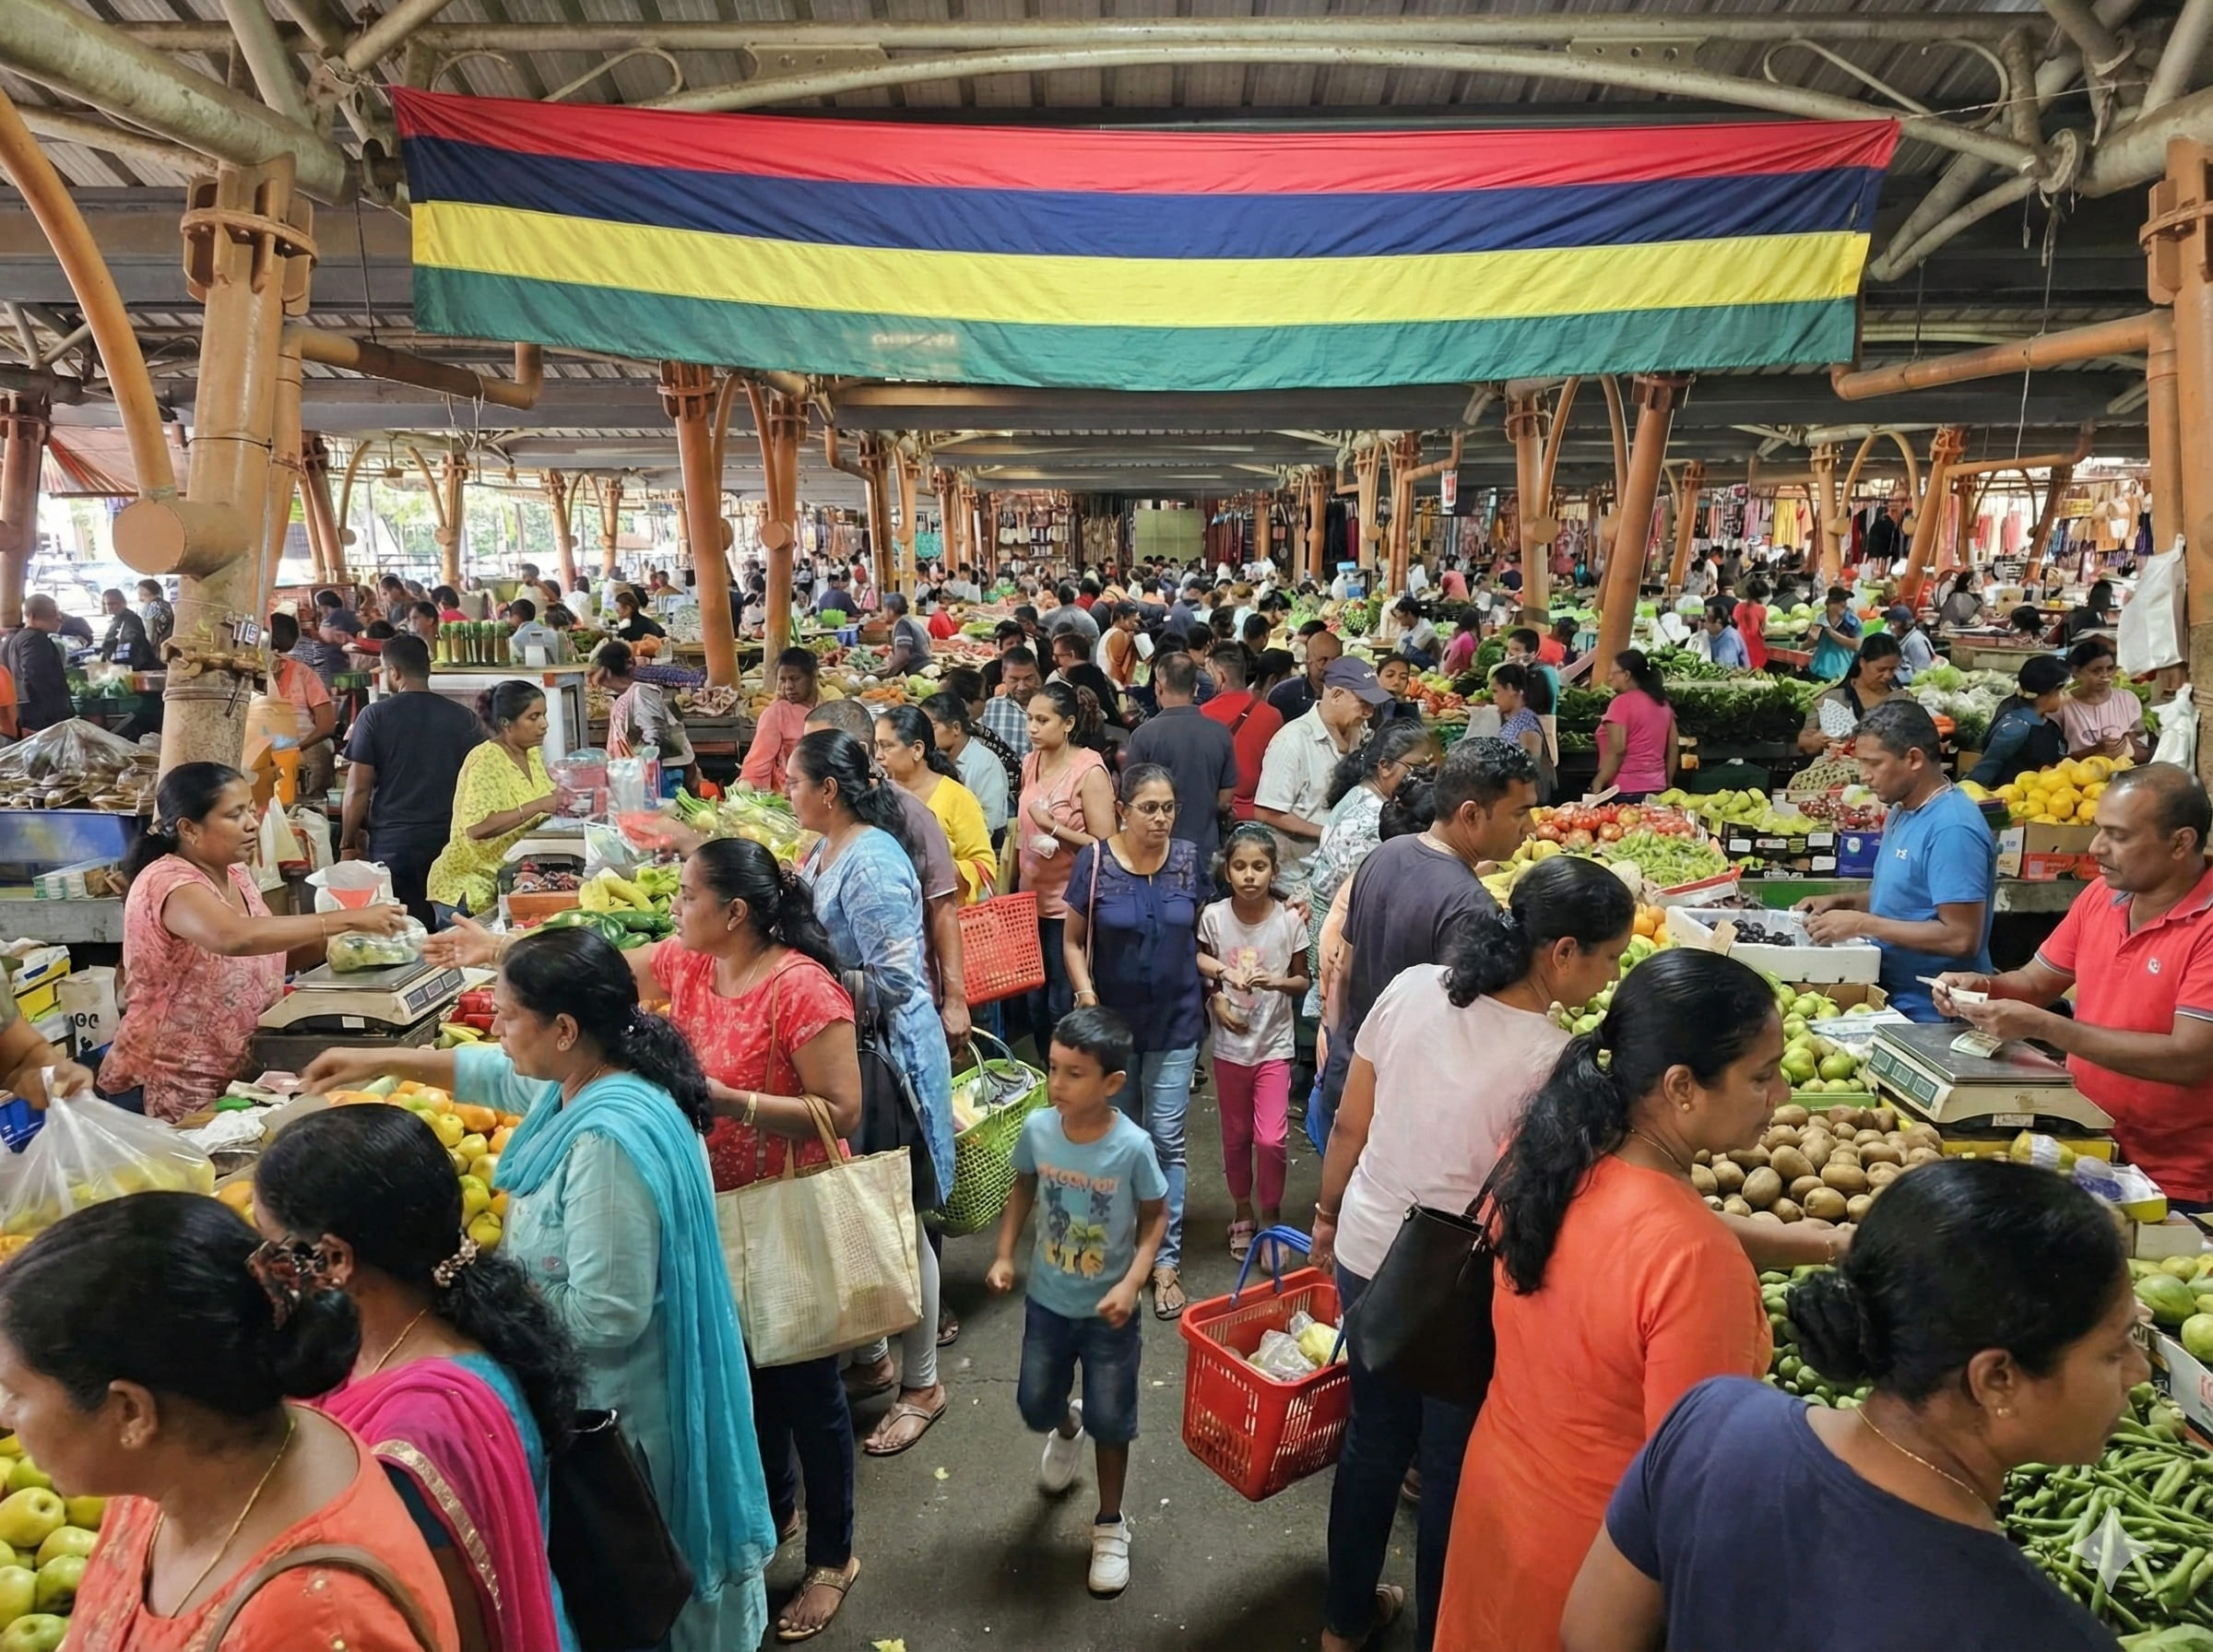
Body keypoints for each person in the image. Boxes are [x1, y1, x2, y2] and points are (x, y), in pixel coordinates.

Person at [301, 927, 778, 1652]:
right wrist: (378, 1058)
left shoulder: (605, 1143)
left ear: (563, 1029)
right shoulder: (593, 1077)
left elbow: (606, 1313)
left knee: (651, 1602)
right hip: (617, 1402)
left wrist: (473, 1290)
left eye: (510, 1013)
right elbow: (496, 1073)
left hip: (636, 1425)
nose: (496, 1025)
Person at [1563, 1160, 2137, 1652]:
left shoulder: (1710, 1423)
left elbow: (1590, 1634)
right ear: (1997, 1379)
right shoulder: (2038, 1633)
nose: (2140, 1372)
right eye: (2115, 1351)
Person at [1315, 856, 1633, 1652]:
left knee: (1373, 1439)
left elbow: (1350, 1124)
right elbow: (1534, 1201)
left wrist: (1325, 1214)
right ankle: (1439, 1637)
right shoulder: (1554, 1058)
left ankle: (1342, 1623)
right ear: (1563, 952)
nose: (1613, 974)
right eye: (1610, 956)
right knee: (1451, 1469)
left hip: (1366, 1243)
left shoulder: (1413, 987)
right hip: (1458, 1289)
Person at [1432, 950, 1783, 1652]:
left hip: (1497, 1505)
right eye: (1762, 1078)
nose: (1781, 1099)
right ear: (1682, 1087)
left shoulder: (1545, 1152)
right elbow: (1690, 1489)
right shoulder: (1694, 1261)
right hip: (1596, 1574)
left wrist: (1816, 1245)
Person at [6, 1195, 461, 1652]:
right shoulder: (178, 1462)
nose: (6, 1414)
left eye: (16, 1393)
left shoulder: (314, 1623)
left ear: (130, 1411)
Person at [254, 1107, 581, 1652]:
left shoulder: (419, 1433)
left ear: (333, 1257)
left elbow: (451, 1625)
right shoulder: (407, 1325)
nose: (264, 1267)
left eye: (272, 1246)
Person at [1933, 764, 2213, 1208]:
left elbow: (2189, 1060)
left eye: (2118, 836)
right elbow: (2035, 982)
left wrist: (2046, 1028)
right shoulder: (2101, 896)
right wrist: (1981, 987)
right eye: (2099, 829)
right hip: (2083, 1145)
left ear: (2181, 842)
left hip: (2177, 1178)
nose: (2097, 847)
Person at [786, 729, 954, 1457]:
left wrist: (802, 978)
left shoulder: (874, 862)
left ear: (828, 789)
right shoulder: (826, 850)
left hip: (886, 1062)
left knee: (896, 1222)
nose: (785, 793)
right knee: (862, 1216)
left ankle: (923, 1384)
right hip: (850, 1052)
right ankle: (874, 1356)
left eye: (795, 781)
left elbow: (896, 982)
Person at [100, 762, 405, 1120]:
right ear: (188, 828)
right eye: (234, 814)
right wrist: (342, 918)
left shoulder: (235, 873)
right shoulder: (167, 881)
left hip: (236, 1072)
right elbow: (232, 938)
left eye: (250, 809)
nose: (252, 823)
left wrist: (347, 938)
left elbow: (264, 956)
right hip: (172, 1079)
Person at [986, 1006, 1168, 1599]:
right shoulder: (1039, 1130)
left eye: (1073, 1074)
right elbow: (1022, 1188)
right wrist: (1006, 1252)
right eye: (1053, 1069)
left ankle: (1111, 1524)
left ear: (1112, 1082)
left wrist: (1133, 1279)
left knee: (1115, 1420)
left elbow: (1155, 1217)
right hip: (1048, 1302)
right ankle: (1068, 1426)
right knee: (1036, 1402)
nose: (1055, 1084)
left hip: (1110, 1315)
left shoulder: (1133, 1148)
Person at [1314, 738, 1539, 1139]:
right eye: (1520, 812)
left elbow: (1343, 968)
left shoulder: (1385, 854)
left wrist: (1336, 1050)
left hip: (1350, 1082)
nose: (1532, 827)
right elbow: (1463, 1039)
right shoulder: (1471, 909)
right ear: (1471, 814)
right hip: (1400, 1111)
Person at [1063, 764, 1207, 1319]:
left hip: (1176, 1021)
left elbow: (1200, 933)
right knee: (1117, 1139)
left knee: (1165, 1139)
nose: (1161, 818)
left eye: (1169, 807)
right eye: (1149, 807)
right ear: (1122, 808)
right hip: (1113, 1031)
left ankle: (1164, 1260)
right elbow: (1073, 941)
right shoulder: (1094, 862)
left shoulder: (1190, 861)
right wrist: (1085, 993)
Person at [1802, 699, 1994, 1021]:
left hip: (1933, 1014)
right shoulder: (1902, 810)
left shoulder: (1953, 829)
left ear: (1914, 759)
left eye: (1873, 763)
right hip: (1892, 998)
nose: (1864, 776)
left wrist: (1863, 924)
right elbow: (1910, 899)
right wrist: (1844, 903)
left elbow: (1961, 938)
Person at [1198, 825, 1308, 1259]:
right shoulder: (1213, 917)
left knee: (1271, 1139)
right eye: (1240, 866)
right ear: (1227, 871)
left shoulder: (1288, 922)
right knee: (1236, 1135)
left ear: (1274, 871)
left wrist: (1276, 981)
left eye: (1259, 867)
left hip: (1274, 1047)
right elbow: (1201, 961)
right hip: (1229, 1049)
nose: (1249, 876)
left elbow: (1302, 981)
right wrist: (1217, 996)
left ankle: (1272, 1214)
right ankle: (1242, 1209)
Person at [341, 636, 488, 920]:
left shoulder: (374, 716)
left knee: (401, 929)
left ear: (394, 672)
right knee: (447, 928)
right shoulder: (464, 718)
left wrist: (348, 843)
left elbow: (357, 790)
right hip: (448, 842)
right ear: (428, 669)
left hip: (395, 844)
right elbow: (478, 786)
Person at [1005, 683, 1118, 1043]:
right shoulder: (1030, 762)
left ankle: (1070, 1077)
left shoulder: (1089, 771)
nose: (1032, 728)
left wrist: (1054, 829)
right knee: (1034, 1001)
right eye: (1029, 719)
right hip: (1028, 902)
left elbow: (1106, 848)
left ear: (1067, 724)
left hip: (1069, 905)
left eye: (1042, 720)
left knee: (1060, 1002)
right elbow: (1020, 833)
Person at [1254, 656, 1392, 897]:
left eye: (1373, 705)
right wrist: (1328, 831)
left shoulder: (1360, 734)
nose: (1369, 712)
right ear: (1336, 695)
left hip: (1341, 879)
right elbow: (1267, 811)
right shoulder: (1292, 741)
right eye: (1363, 703)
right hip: (1296, 881)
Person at [423, 679, 553, 918]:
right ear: (506, 724)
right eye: (533, 717)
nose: (544, 724)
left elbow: (543, 794)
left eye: (544, 715)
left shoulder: (532, 753)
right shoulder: (485, 760)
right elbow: (476, 828)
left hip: (505, 881)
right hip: (466, 889)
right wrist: (540, 804)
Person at [1123, 651, 1237, 858]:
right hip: (1205, 850)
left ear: (1158, 688)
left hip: (1155, 852)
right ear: (1195, 689)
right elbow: (1225, 801)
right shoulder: (1220, 733)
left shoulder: (1144, 736)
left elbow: (1130, 797)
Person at [877, 705, 995, 904]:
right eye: (876, 746)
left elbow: (983, 866)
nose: (879, 755)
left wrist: (930, 869)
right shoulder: (878, 794)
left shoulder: (957, 798)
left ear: (917, 749)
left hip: (945, 914)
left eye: (887, 746)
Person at [1201, 643, 1284, 824]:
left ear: (1220, 675)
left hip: (1215, 813)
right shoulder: (1273, 715)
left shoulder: (1202, 715)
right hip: (1258, 814)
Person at [592, 639, 696, 785]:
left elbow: (656, 739)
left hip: (662, 774)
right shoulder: (631, 693)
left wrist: (639, 774)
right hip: (650, 771)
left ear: (607, 672)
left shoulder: (641, 693)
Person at [264, 611, 341, 795]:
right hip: (264, 752)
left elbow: (326, 726)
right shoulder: (251, 675)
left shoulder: (302, 672)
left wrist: (296, 748)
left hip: (305, 750)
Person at [1967, 655, 2071, 787]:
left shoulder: (2046, 720)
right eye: (2062, 691)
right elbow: (1985, 770)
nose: (2066, 696)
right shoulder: (2015, 729)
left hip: (2042, 794)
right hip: (2013, 797)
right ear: (2046, 694)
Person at [922, 690, 1011, 843]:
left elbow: (987, 825)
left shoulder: (986, 764)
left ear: (956, 728)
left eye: (932, 728)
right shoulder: (931, 758)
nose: (924, 734)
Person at [1800, 632, 1909, 755]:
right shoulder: (1833, 698)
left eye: (1893, 669)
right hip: (1839, 769)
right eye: (1881, 669)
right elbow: (1805, 742)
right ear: (1862, 662)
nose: (1888, 676)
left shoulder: (1903, 699)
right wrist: (1817, 741)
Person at [1593, 650, 1677, 801]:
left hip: (1624, 790)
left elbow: (1618, 750)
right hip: (1657, 788)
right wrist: (1668, 782)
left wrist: (1599, 781)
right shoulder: (1663, 703)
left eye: (1614, 673)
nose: (1609, 677)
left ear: (1627, 675)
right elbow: (1673, 747)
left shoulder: (1621, 703)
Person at [740, 648, 823, 794]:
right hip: (788, 797)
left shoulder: (824, 709)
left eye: (795, 679)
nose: (788, 687)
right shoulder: (777, 713)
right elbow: (758, 763)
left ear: (812, 678)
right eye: (783, 680)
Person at [2059, 635, 2149, 763]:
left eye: (2110, 669)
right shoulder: (2062, 706)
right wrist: (2096, 750)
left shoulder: (2128, 700)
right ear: (2076, 672)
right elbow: (2057, 760)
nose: (2105, 676)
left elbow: (2143, 752)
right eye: (2096, 671)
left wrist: (2131, 743)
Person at [3, 594, 71, 732]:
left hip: (20, 712)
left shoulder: (13, 639)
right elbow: (36, 675)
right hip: (39, 716)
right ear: (32, 616)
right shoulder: (35, 640)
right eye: (53, 614)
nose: (59, 619)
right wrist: (59, 714)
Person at [1488, 661, 1555, 801]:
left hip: (1522, 800)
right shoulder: (1514, 718)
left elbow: (1530, 766)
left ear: (1511, 689)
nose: (1493, 697)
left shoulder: (1526, 723)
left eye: (1496, 691)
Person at [1268, 624, 1341, 723]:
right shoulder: (1283, 695)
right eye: (1323, 660)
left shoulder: (1351, 696)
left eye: (1336, 660)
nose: (1330, 666)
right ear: (1308, 660)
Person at [982, 643, 1041, 763]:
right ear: (1003, 676)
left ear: (1037, 675)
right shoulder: (989, 709)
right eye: (1014, 679)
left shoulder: (1052, 708)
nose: (1022, 687)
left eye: (1028, 679)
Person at [1807, 585, 1864, 681]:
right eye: (1839, 602)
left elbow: (1857, 645)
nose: (1844, 604)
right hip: (1818, 671)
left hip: (1841, 674)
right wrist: (1810, 638)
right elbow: (1813, 640)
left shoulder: (1853, 622)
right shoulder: (1821, 618)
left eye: (1845, 601)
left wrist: (1830, 631)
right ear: (1830, 604)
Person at [96, 586, 157, 669]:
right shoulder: (118, 619)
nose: (109, 607)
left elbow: (131, 639)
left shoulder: (131, 619)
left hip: (135, 665)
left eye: (113, 603)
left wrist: (118, 661)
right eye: (106, 604)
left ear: (123, 603)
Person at [882, 592, 932, 677]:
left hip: (917, 672)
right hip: (927, 669)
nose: (882, 612)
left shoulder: (902, 625)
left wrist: (887, 675)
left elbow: (902, 658)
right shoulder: (913, 621)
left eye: (883, 608)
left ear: (891, 610)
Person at [2059, 577, 2118, 645]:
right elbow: (2091, 640)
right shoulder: (2088, 617)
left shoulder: (2089, 614)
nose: (2109, 603)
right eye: (2108, 598)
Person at [1888, 604, 1938, 680]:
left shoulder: (1916, 641)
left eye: (1894, 623)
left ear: (1906, 624)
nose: (1890, 627)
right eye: (1889, 623)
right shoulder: (1899, 638)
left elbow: (1923, 672)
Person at [1733, 577, 1771, 671]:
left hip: (1738, 644)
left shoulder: (1738, 606)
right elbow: (1763, 630)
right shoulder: (1762, 609)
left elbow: (1735, 623)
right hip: (1755, 647)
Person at [1394, 596, 1439, 669]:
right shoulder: (1408, 629)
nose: (1399, 622)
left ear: (1409, 614)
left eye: (1400, 618)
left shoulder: (1425, 630)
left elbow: (1410, 653)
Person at [1702, 598, 1748, 669]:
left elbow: (1727, 668)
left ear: (1718, 621)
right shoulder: (1713, 635)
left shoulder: (1728, 639)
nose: (1703, 624)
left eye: (1706, 620)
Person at [136, 577, 172, 654]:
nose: (139, 597)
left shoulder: (152, 606)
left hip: (155, 649)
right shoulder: (165, 604)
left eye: (141, 593)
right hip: (166, 645)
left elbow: (150, 633)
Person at [1439, 608, 1478, 678]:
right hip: (1451, 675)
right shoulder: (1466, 639)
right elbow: (1468, 664)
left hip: (1454, 672)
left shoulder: (1465, 636)